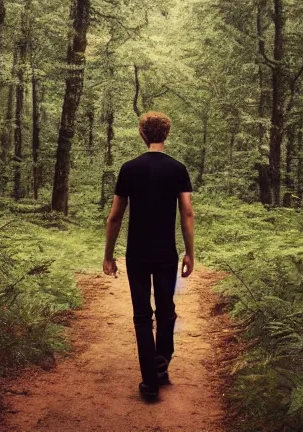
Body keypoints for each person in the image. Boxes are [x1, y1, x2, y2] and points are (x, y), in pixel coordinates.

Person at [102, 111, 195, 401]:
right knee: (165, 310)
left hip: (137, 254)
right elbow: (187, 212)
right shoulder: (178, 169)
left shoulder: (129, 168)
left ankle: (150, 382)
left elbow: (115, 217)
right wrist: (190, 252)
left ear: (143, 134)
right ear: (166, 134)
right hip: (166, 252)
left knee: (142, 316)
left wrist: (108, 254)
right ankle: (161, 363)